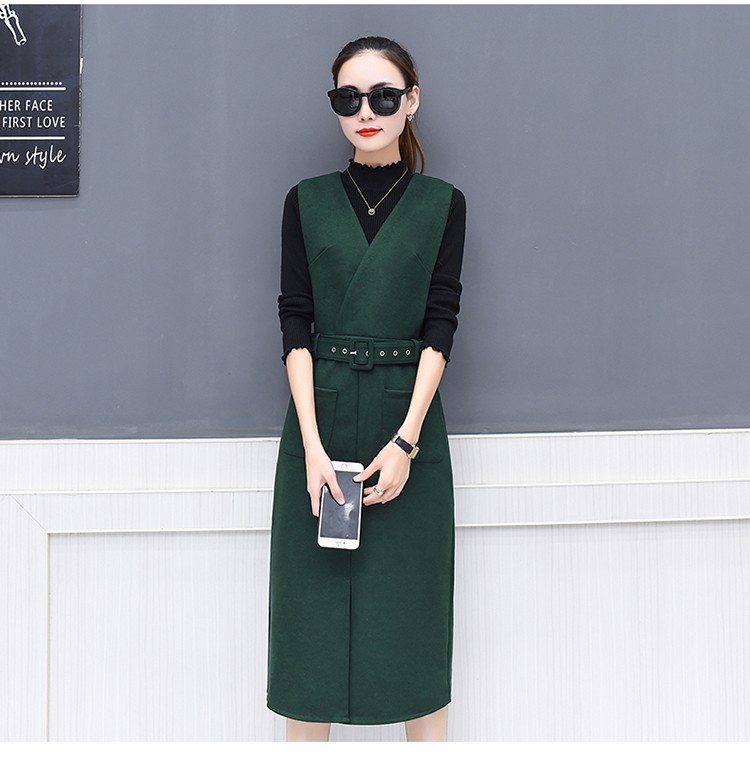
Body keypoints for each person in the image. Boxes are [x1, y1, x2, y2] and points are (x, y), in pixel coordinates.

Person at [266, 35, 466, 742]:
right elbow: (294, 322)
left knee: (413, 630)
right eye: (348, 98)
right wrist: (313, 449)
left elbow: (441, 324)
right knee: (307, 644)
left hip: (406, 422)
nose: (366, 112)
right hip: (318, 420)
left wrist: (407, 442)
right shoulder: (305, 201)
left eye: (383, 96)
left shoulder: (443, 204)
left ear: (412, 102)